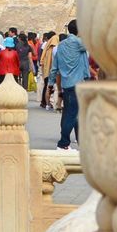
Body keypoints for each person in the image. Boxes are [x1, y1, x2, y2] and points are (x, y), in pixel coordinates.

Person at [53, 20, 91, 150]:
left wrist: (51, 84)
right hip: (77, 83)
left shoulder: (61, 45)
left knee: (73, 114)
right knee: (71, 114)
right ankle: (63, 143)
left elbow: (55, 67)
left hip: (67, 83)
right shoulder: (79, 43)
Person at [39, 31, 59, 110]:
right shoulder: (53, 46)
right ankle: (46, 103)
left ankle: (45, 102)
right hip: (51, 69)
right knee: (49, 86)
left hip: (48, 69)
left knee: (47, 85)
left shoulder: (48, 46)